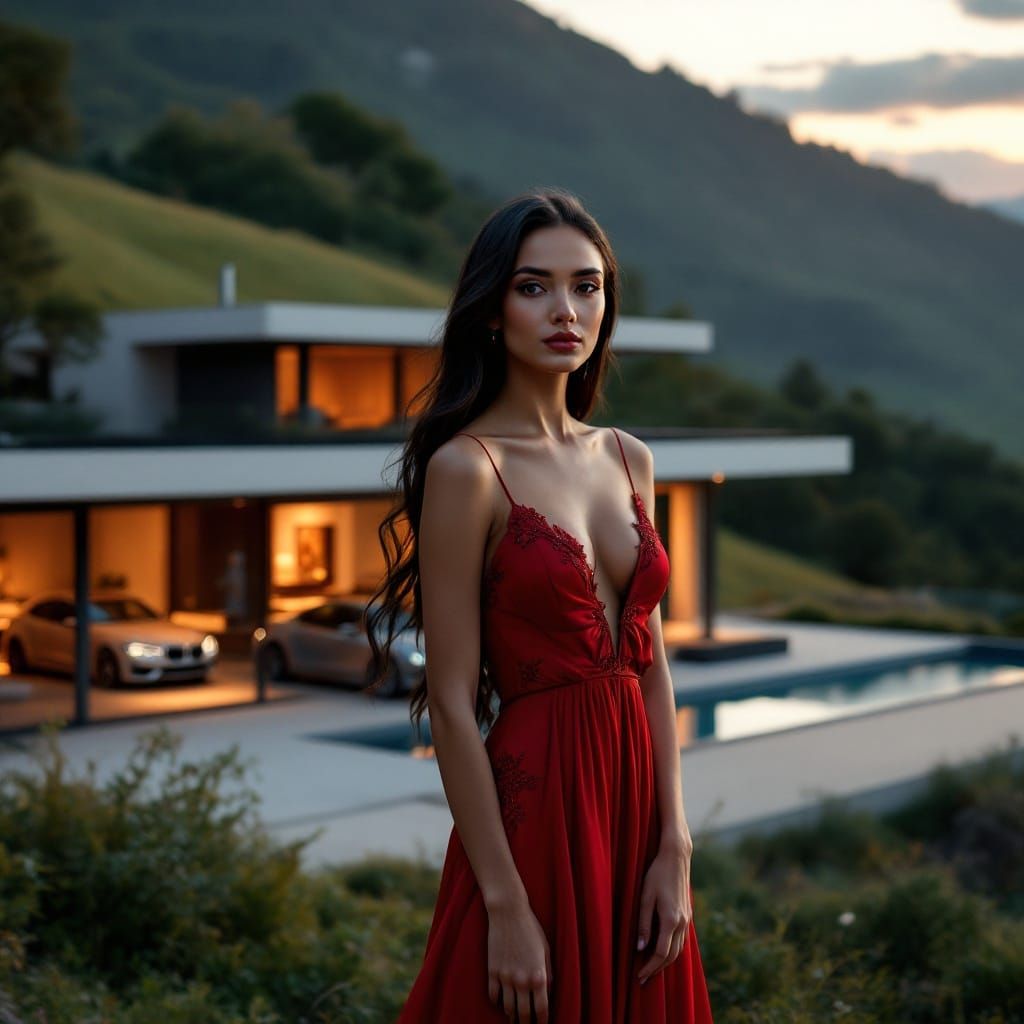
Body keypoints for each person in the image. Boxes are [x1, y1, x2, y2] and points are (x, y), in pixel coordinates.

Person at [366, 188, 714, 1023]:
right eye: (534, 287)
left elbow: (652, 667)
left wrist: (676, 844)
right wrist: (506, 905)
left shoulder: (630, 459)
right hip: (536, 816)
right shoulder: (468, 469)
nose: (566, 309)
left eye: (587, 286)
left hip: (635, 808)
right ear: (493, 311)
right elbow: (451, 704)